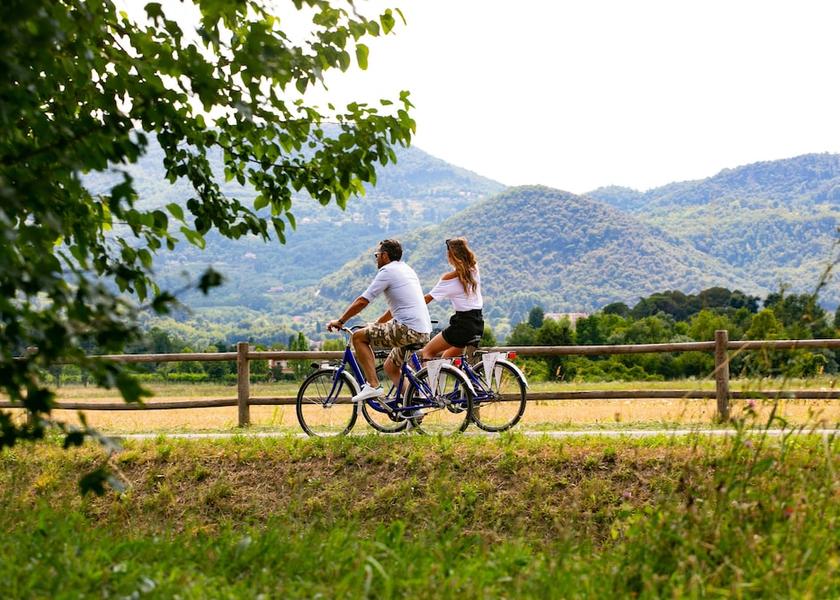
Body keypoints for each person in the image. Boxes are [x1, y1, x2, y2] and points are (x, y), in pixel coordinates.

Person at [327, 239, 432, 402]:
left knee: (358, 337)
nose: (376, 258)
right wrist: (377, 324)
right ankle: (413, 408)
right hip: (422, 330)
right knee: (390, 367)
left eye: (377, 255)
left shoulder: (387, 271)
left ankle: (373, 385)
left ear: (385, 255)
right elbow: (396, 308)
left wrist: (341, 321)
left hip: (407, 330)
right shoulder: (406, 269)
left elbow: (363, 300)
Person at [420, 237, 484, 360]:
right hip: (477, 323)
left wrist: (408, 307)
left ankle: (430, 380)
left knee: (427, 351)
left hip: (462, 325)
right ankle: (457, 378)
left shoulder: (448, 279)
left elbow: (427, 299)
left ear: (450, 255)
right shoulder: (474, 269)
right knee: (446, 358)